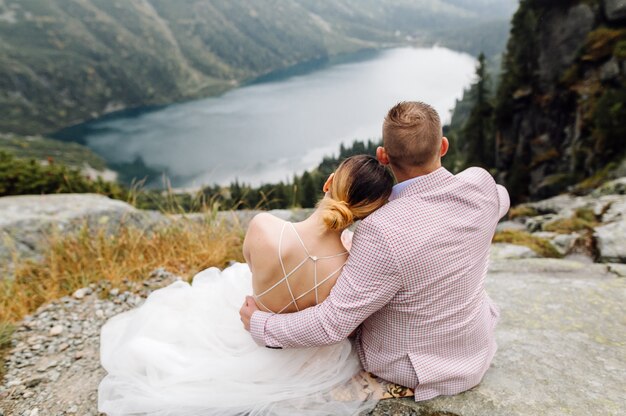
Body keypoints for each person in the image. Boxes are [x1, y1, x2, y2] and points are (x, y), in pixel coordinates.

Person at [241, 101, 510, 401]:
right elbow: (502, 199)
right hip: (474, 350)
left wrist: (262, 325)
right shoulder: (481, 186)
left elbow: (332, 324)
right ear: (443, 146)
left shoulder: (380, 230)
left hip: (414, 369)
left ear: (383, 156)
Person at [98, 155, 395, 415]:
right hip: (305, 358)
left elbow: (252, 268)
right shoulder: (353, 267)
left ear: (328, 183)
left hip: (251, 326)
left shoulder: (263, 226)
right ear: (366, 213)